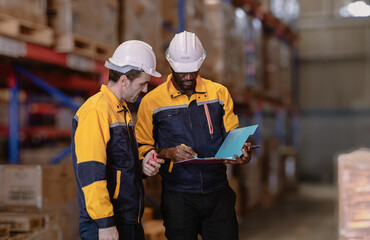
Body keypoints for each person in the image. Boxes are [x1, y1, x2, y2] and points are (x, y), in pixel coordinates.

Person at [135, 31, 253, 240]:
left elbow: (234, 137)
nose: (188, 77)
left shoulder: (219, 93)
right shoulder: (152, 102)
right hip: (178, 196)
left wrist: (242, 152)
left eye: (193, 70)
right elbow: (142, 148)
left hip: (218, 193)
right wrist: (167, 153)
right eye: (182, 72)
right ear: (170, 65)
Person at [71, 40, 164, 240]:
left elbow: (119, 164)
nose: (145, 89)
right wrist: (105, 224)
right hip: (105, 224)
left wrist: (142, 166)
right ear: (124, 80)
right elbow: (91, 172)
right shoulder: (96, 111)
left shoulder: (121, 111)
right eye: (142, 83)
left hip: (128, 219)